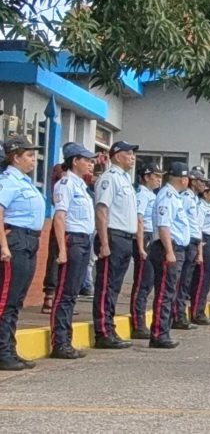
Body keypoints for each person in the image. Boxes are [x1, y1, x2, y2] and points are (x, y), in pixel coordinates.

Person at [0, 135, 45, 371]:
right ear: (15, 158)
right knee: (7, 300)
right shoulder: (8, 181)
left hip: (29, 240)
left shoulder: (25, 182)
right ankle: (3, 352)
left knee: (17, 300)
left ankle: (10, 349)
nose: (33, 159)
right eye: (28, 155)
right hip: (15, 241)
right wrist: (3, 246)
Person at [49, 143, 97, 360]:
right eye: (86, 160)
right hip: (72, 240)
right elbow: (59, 218)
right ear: (75, 161)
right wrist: (62, 250)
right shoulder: (66, 184)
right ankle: (59, 342)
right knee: (65, 293)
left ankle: (65, 340)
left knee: (73, 293)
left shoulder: (81, 185)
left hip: (84, 240)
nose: (90, 164)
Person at [92, 140, 139, 349]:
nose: (132, 157)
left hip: (125, 238)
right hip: (113, 236)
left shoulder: (125, 179)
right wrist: (104, 243)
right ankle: (103, 332)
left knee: (115, 287)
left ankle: (109, 328)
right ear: (117, 156)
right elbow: (102, 211)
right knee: (106, 286)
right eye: (129, 153)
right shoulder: (110, 178)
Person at [149, 162, 191, 349]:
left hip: (175, 248)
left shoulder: (175, 196)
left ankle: (163, 331)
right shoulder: (167, 196)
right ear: (183, 179)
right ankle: (159, 334)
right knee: (165, 293)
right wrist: (169, 251)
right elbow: (164, 225)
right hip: (169, 248)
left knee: (169, 292)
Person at [130, 162, 163, 339]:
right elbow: (139, 219)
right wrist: (141, 246)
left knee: (148, 283)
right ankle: (138, 324)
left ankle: (140, 321)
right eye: (155, 176)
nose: (159, 180)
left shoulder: (152, 195)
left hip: (151, 236)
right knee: (142, 282)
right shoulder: (142, 195)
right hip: (145, 237)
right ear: (146, 177)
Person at [172, 166, 206, 329]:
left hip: (194, 242)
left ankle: (180, 314)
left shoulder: (195, 199)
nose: (204, 185)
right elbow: (181, 222)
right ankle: (178, 316)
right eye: (201, 181)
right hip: (187, 242)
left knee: (186, 282)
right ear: (193, 182)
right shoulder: (186, 198)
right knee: (181, 281)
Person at [189, 180, 210, 325]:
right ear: (206, 193)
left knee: (208, 279)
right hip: (206, 242)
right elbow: (199, 229)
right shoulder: (201, 208)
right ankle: (197, 312)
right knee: (202, 279)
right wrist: (200, 252)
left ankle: (200, 310)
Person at [40, 164, 67, 314]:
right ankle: (50, 296)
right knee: (55, 259)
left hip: (76, 226)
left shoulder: (79, 181)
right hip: (61, 223)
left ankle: (61, 298)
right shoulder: (61, 174)